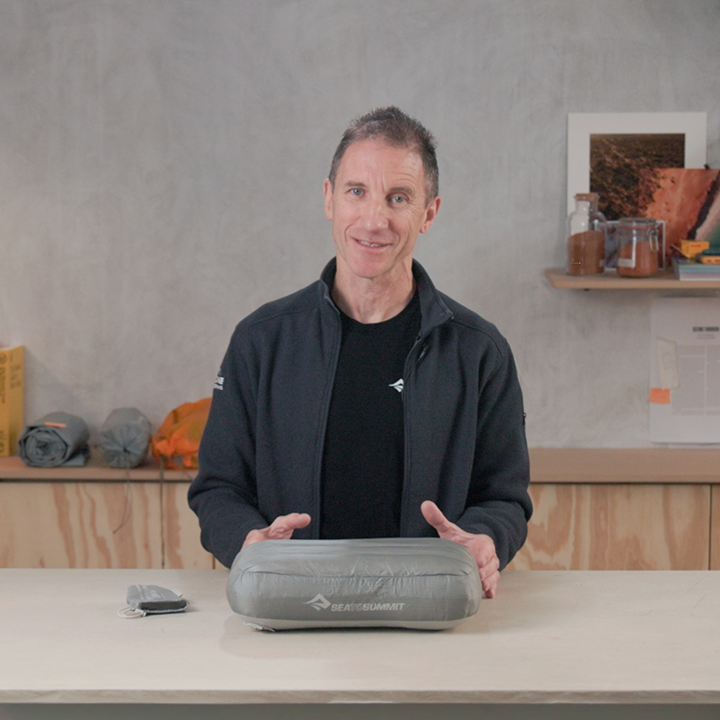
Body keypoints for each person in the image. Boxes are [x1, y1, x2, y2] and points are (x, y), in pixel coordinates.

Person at [188, 107, 532, 598]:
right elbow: (219, 488)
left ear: (429, 213)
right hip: (290, 604)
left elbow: (504, 498)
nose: (374, 220)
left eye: (398, 198)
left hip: (427, 607)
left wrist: (484, 540)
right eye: (356, 192)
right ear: (329, 199)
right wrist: (248, 542)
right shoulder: (261, 341)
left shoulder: (479, 352)